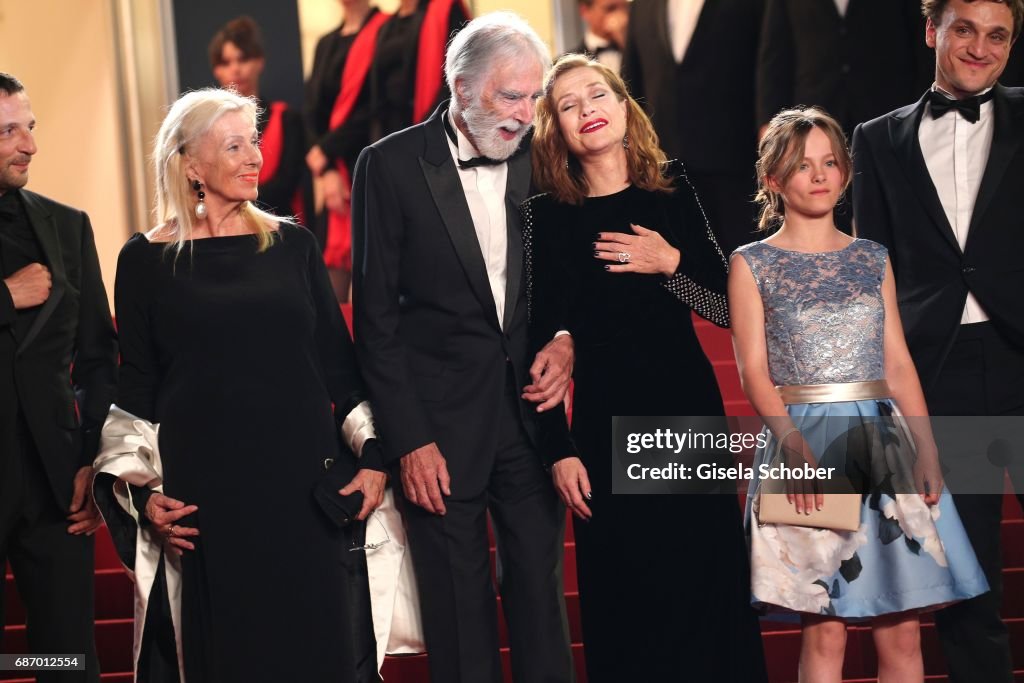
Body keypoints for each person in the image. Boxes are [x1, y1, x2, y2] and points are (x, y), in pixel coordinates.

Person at [111, 87, 386, 682]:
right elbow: (137, 385)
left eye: (254, 142)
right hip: (209, 501)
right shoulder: (144, 261)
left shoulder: (294, 246)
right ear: (191, 165)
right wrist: (137, 494)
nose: (255, 157)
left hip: (303, 494)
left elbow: (339, 367)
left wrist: (375, 455)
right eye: (234, 146)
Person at [525, 54, 768, 683]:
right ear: (556, 128)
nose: (588, 110)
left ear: (624, 104)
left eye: (597, 93)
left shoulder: (675, 184)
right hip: (607, 422)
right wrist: (557, 448)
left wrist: (672, 265)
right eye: (569, 104)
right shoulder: (546, 214)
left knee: (704, 577)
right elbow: (540, 342)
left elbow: (727, 310)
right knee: (629, 593)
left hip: (686, 406)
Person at [351, 13, 575, 683]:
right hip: (438, 428)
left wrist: (566, 341)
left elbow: (564, 283)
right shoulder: (387, 165)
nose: (527, 113)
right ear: (460, 84)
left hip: (531, 418)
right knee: (458, 608)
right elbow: (375, 322)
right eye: (512, 96)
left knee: (541, 602)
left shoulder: (540, 157)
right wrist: (408, 438)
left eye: (535, 97)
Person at [732, 106, 988, 682]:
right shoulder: (751, 264)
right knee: (825, 626)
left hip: (885, 441)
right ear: (773, 179)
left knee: (900, 628)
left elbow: (897, 361)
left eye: (830, 163)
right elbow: (752, 371)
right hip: (805, 445)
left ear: (845, 173)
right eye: (802, 165)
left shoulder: (872, 258)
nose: (819, 175)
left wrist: (925, 448)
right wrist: (793, 445)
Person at [852, 1, 1024, 680]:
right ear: (932, 31)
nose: (980, 47)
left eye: (997, 34)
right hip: (940, 375)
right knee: (970, 578)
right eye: (964, 29)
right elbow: (875, 275)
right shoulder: (877, 138)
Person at [0, 72, 116, 683]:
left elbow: (98, 356)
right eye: (8, 131)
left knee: (65, 661)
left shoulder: (68, 227)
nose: (29, 145)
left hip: (55, 483)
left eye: (30, 127)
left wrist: (91, 456)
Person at [621, 0, 763, 255]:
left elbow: (768, 68)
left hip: (735, 167)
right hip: (662, 171)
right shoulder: (642, 6)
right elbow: (631, 85)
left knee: (741, 265)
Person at [305, 0, 390, 302]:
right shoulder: (326, 42)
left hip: (371, 168)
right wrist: (327, 170)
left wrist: (326, 150)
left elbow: (378, 109)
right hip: (333, 178)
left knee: (376, 289)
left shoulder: (388, 30)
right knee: (331, 294)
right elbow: (312, 110)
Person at [209, 16, 305, 222]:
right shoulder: (208, 130)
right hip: (227, 232)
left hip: (280, 229)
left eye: (243, 59)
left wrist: (231, 200)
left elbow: (287, 184)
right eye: (226, 62)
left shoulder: (286, 118)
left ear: (259, 62)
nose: (235, 69)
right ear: (217, 70)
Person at [369, 0, 470, 139]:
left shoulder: (448, 9)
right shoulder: (386, 26)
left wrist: (425, 128)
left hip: (432, 130)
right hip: (390, 131)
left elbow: (461, 75)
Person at [568, 0, 629, 73]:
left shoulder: (642, 49)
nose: (624, 17)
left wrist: (626, 42)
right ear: (585, 11)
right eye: (610, 8)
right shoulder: (569, 63)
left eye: (626, 8)